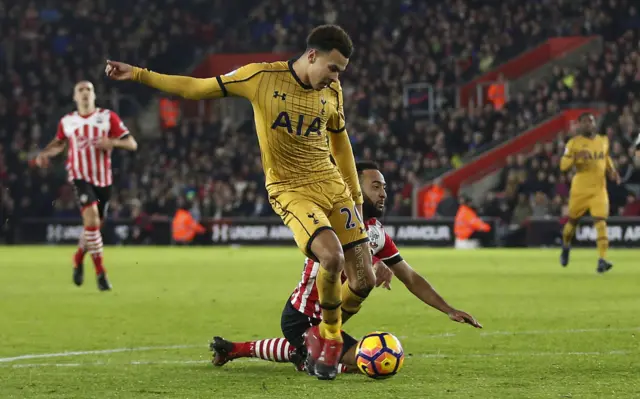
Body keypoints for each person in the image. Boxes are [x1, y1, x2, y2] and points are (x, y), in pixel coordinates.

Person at [105, 24, 372, 380]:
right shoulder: (260, 77)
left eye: (340, 72)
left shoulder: (333, 91)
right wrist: (139, 74)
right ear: (312, 56)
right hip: (291, 189)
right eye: (333, 68)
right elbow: (196, 88)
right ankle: (332, 339)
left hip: (332, 186)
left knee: (364, 280)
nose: (335, 77)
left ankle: (315, 332)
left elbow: (341, 143)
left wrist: (355, 197)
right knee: (331, 256)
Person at [209, 162, 482, 374]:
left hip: (333, 316)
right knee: (360, 363)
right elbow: (339, 255)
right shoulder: (329, 218)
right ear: (354, 187)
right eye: (376, 186)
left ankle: (241, 349)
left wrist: (449, 309)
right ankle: (305, 358)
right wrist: (373, 263)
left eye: (384, 187)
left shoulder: (376, 233)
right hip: (302, 315)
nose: (384, 193)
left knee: (339, 355)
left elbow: (410, 277)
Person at [35, 81, 138, 290]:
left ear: (94, 95)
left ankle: (78, 257)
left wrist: (113, 143)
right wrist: (45, 153)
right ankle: (101, 274)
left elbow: (132, 143)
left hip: (103, 180)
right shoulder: (68, 121)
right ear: (75, 97)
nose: (84, 93)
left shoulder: (107, 118)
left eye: (88, 90)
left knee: (94, 227)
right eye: (80, 90)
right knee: (91, 220)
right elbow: (59, 143)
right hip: (79, 176)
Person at [559, 112, 620, 273]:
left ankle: (602, 260)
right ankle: (565, 246)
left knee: (601, 222)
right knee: (571, 223)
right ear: (579, 125)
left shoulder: (603, 140)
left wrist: (612, 171)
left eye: (590, 121)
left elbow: (606, 157)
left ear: (594, 123)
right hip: (580, 190)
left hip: (599, 190)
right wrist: (576, 156)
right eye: (584, 122)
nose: (588, 124)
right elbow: (563, 166)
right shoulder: (573, 143)